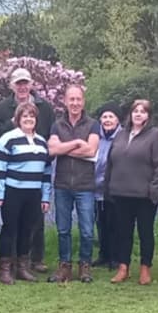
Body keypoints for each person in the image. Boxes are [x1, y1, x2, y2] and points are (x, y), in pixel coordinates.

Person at [0, 68, 56, 273]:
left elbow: (46, 169)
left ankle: (24, 266)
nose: (22, 86)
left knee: (29, 228)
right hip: (12, 190)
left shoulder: (41, 140)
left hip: (34, 191)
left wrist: (45, 196)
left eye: (25, 82)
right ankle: (5, 268)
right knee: (10, 228)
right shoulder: (6, 133)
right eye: (18, 83)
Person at [104, 100, 158, 285]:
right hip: (121, 193)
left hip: (145, 196)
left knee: (145, 232)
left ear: (148, 115)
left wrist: (155, 190)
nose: (138, 114)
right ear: (130, 114)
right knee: (123, 233)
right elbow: (111, 162)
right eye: (135, 111)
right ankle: (123, 267)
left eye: (143, 111)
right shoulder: (121, 135)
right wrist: (108, 186)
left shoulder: (156, 136)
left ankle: (145, 268)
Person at [47, 85, 100, 282]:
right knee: (63, 229)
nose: (75, 103)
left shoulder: (93, 124)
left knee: (87, 230)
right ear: (65, 101)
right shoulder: (57, 125)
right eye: (72, 99)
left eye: (78, 99)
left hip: (85, 185)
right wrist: (77, 143)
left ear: (83, 101)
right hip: (62, 185)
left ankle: (84, 266)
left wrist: (63, 148)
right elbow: (51, 150)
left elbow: (91, 151)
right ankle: (64, 266)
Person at [92, 104, 123, 269]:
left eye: (111, 117)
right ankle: (103, 254)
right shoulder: (96, 137)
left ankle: (115, 257)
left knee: (115, 224)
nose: (107, 120)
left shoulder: (123, 137)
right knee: (101, 223)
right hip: (97, 189)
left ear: (117, 119)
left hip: (114, 188)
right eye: (104, 117)